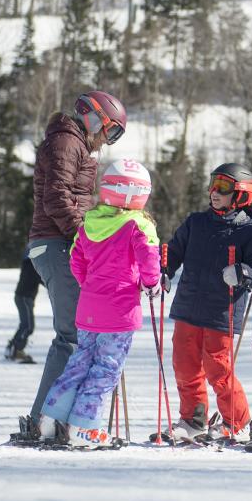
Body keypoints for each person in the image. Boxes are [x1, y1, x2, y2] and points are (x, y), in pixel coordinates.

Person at [17, 90, 127, 441]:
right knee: (73, 335)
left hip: (60, 242)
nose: (105, 141)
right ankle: (44, 421)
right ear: (95, 119)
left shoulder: (73, 143)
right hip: (57, 243)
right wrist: (86, 238)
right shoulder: (67, 142)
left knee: (79, 334)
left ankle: (57, 417)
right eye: (109, 132)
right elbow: (57, 198)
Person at [39, 158, 161, 448]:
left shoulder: (89, 223)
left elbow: (76, 261)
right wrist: (152, 284)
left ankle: (50, 418)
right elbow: (149, 260)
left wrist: (91, 286)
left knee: (79, 362)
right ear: (136, 194)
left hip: (90, 308)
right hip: (118, 312)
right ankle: (84, 426)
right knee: (106, 369)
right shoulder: (137, 225)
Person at [162, 163, 252, 443]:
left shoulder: (250, 235)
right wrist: (164, 271)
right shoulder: (196, 222)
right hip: (187, 308)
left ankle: (237, 421)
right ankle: (193, 419)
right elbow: (173, 251)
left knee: (218, 370)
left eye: (222, 187)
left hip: (222, 312)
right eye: (212, 184)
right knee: (184, 366)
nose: (213, 192)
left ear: (241, 195)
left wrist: (242, 273)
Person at [4, 257, 40, 364]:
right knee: (27, 326)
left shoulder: (31, 262)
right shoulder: (33, 264)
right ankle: (16, 350)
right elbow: (41, 278)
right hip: (24, 297)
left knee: (25, 325)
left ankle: (13, 348)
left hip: (24, 297)